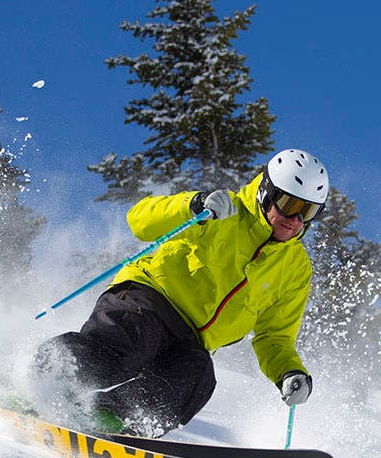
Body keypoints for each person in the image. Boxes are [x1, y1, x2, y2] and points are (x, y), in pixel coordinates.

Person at [31, 148, 329, 436]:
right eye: (290, 205)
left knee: (196, 377)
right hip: (147, 298)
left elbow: (275, 335)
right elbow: (140, 220)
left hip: (191, 339)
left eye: (308, 211)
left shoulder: (295, 269)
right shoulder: (224, 212)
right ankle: (44, 379)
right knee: (126, 349)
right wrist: (193, 206)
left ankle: (115, 419)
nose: (296, 221)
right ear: (267, 192)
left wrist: (289, 372)